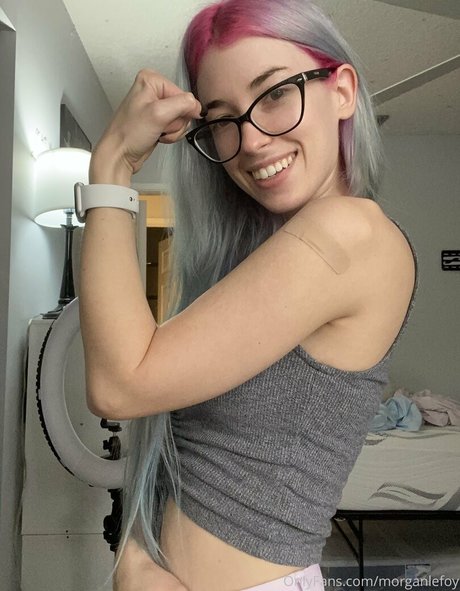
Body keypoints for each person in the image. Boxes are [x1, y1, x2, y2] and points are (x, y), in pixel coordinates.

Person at [78, 1, 418, 590]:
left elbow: (118, 384)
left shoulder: (350, 233)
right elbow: (189, 449)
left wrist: (111, 165)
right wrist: (136, 559)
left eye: (276, 93)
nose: (252, 141)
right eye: (224, 119)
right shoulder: (273, 251)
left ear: (342, 91)